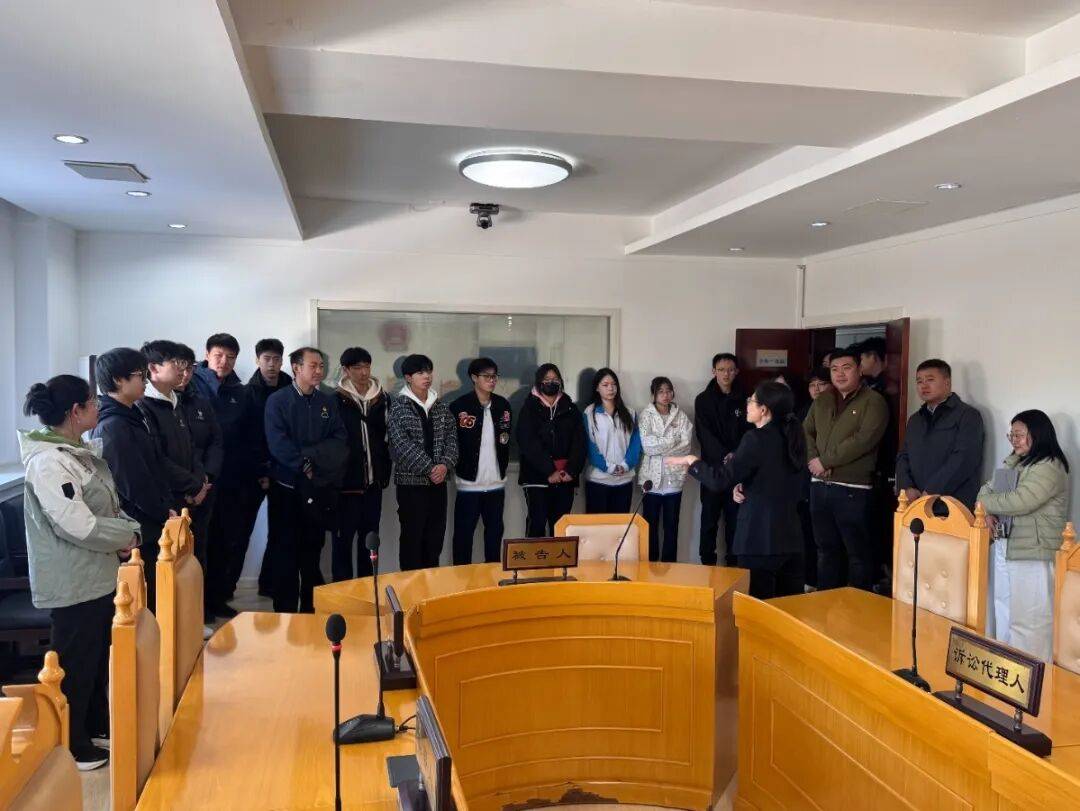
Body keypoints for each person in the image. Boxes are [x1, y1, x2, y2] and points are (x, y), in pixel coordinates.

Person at [20, 376, 140, 771]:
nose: (98, 406)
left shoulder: (76, 452)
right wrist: (126, 535)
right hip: (72, 579)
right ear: (76, 411)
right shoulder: (48, 461)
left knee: (94, 657)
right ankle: (71, 743)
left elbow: (105, 506)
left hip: (96, 573)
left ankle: (92, 724)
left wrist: (126, 532)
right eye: (92, 401)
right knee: (74, 663)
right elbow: (77, 524)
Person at [669, 381, 806, 598]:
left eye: (751, 400)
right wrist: (746, 486)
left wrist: (692, 462)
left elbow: (719, 480)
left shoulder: (756, 438)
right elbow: (781, 480)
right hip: (792, 538)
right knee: (788, 610)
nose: (747, 404)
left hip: (759, 539)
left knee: (757, 609)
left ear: (763, 410)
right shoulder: (793, 435)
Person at [978, 411, 1069, 662]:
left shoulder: (1050, 465)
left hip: (1033, 552)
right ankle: (1005, 671)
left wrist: (986, 504)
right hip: (1005, 544)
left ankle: (1032, 679)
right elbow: (984, 490)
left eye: (1019, 435)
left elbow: (1020, 502)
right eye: (1011, 435)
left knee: (1031, 621)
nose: (1014, 440)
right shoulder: (1017, 462)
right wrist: (987, 510)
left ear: (1037, 434)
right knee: (1004, 611)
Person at [264, 347, 348, 612]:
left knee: (313, 550)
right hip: (287, 488)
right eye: (313, 366)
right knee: (285, 551)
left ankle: (310, 610)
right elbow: (277, 443)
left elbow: (339, 440)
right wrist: (303, 464)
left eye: (321, 366)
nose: (319, 371)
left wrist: (313, 461)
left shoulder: (327, 402)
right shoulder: (278, 400)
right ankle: (285, 610)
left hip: (318, 486)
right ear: (296, 368)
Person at [91, 347, 174, 611]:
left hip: (149, 520)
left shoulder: (132, 415)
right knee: (143, 604)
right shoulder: (113, 426)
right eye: (140, 374)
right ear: (118, 380)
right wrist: (163, 512)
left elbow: (153, 466)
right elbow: (133, 483)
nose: (146, 381)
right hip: (137, 526)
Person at [803, 346, 888, 591]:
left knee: (857, 553)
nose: (840, 374)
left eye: (846, 368)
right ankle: (827, 602)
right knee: (826, 550)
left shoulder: (874, 401)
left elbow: (864, 440)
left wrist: (826, 461)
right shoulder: (822, 400)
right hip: (820, 486)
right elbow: (806, 431)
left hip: (853, 488)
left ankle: (857, 607)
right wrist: (814, 460)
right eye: (834, 369)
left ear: (859, 370)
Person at [191, 333, 255, 618]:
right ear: (207, 355)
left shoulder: (240, 391)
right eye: (218, 355)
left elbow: (247, 435)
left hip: (231, 479)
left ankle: (217, 598)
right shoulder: (191, 386)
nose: (224, 362)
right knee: (198, 544)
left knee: (225, 541)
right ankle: (197, 605)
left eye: (230, 357)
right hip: (200, 480)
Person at [387, 354, 459, 570]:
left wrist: (444, 465)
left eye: (428, 371)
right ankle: (410, 586)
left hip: (438, 484)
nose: (427, 376)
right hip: (411, 485)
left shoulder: (441, 407)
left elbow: (452, 440)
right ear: (408, 377)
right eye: (420, 372)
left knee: (434, 538)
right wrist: (430, 469)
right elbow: (401, 444)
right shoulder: (399, 406)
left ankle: (431, 585)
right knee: (412, 538)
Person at [136, 340, 210, 530]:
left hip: (190, 497)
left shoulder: (176, 401)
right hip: (167, 502)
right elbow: (157, 458)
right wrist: (193, 487)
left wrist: (199, 482)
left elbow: (191, 445)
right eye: (176, 363)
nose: (182, 369)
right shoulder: (142, 406)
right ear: (153, 367)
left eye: (185, 364)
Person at [333, 347, 391, 581]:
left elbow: (388, 437)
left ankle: (368, 588)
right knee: (343, 542)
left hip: (373, 483)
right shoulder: (335, 400)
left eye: (367, 366)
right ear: (346, 370)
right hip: (346, 485)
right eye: (357, 367)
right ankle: (342, 589)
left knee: (370, 542)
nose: (364, 372)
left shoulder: (383, 398)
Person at [895, 359, 985, 510]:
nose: (923, 386)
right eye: (919, 381)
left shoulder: (967, 415)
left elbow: (964, 459)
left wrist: (931, 491)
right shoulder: (915, 419)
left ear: (947, 383)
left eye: (930, 380)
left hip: (952, 506)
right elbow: (903, 456)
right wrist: (906, 488)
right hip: (915, 503)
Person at [450, 358, 512, 564]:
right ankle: (461, 578)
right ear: (474, 378)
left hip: (495, 484)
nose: (492, 380)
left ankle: (492, 577)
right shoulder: (459, 406)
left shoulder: (503, 405)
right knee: (463, 537)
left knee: (494, 536)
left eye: (494, 376)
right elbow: (451, 443)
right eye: (487, 376)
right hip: (468, 484)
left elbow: (506, 440)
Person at [516, 363, 586, 537]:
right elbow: (528, 443)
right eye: (547, 379)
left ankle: (559, 557)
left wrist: (571, 470)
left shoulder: (570, 408)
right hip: (537, 478)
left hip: (565, 478)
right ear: (539, 382)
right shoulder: (529, 408)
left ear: (561, 382)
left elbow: (579, 443)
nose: (551, 382)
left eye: (555, 379)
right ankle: (535, 557)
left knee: (561, 526)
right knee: (537, 524)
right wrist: (549, 471)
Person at [247, 339, 293, 596]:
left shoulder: (290, 387)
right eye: (267, 359)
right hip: (254, 471)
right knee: (242, 531)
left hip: (283, 470)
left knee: (281, 530)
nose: (272, 364)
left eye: (276, 359)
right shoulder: (248, 391)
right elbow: (248, 437)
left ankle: (271, 583)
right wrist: (261, 471)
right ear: (257, 360)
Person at [174, 343, 223, 579]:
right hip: (177, 490)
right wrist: (192, 484)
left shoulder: (201, 401)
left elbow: (216, 440)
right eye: (180, 368)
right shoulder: (156, 405)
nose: (185, 374)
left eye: (190, 368)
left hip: (205, 486)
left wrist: (206, 479)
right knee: (175, 554)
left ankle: (201, 600)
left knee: (200, 547)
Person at [694, 352, 747, 565]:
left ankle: (733, 567)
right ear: (713, 371)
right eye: (721, 370)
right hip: (712, 469)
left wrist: (737, 454)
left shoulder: (746, 398)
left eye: (730, 370)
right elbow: (704, 434)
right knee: (709, 520)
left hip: (738, 469)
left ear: (737, 372)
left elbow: (750, 431)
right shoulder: (703, 400)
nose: (726, 374)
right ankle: (707, 565)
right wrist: (725, 455)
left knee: (736, 521)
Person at [637, 377, 693, 562]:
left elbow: (686, 446)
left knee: (671, 528)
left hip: (674, 479)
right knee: (650, 527)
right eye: (660, 391)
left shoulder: (681, 416)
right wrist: (672, 440)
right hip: (651, 480)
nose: (665, 395)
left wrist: (661, 445)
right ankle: (649, 566)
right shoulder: (646, 415)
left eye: (668, 391)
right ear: (653, 394)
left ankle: (670, 568)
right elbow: (647, 446)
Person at [582, 368, 641, 513]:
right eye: (605, 385)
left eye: (614, 384)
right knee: (597, 525)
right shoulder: (589, 413)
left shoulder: (630, 413)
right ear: (597, 388)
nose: (611, 388)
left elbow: (635, 443)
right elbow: (590, 446)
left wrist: (625, 465)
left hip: (624, 480)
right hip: (598, 480)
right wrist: (608, 467)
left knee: (620, 525)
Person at [797, 368, 832, 589]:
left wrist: (824, 462)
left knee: (827, 538)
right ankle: (809, 579)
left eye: (821, 384)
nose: (816, 389)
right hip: (805, 479)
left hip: (831, 477)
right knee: (807, 533)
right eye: (812, 385)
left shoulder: (837, 409)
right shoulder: (802, 411)